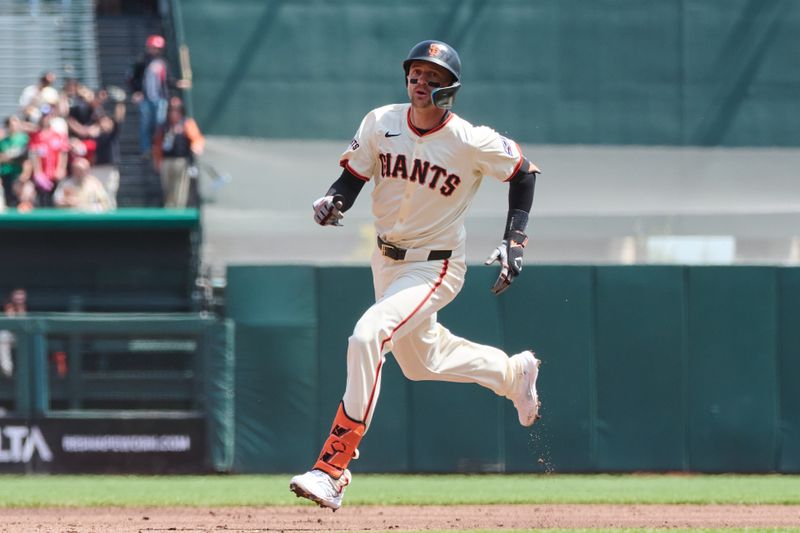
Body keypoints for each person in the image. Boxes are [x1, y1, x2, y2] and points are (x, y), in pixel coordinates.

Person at [289, 40, 542, 510]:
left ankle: (332, 468)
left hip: (436, 263)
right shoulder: (381, 122)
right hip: (386, 261)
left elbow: (524, 173)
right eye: (417, 72)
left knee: (368, 336)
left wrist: (515, 240)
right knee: (420, 362)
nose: (422, 81)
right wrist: (333, 200)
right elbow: (353, 177)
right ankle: (512, 374)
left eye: (434, 75)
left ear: (450, 88)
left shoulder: (469, 139)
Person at [127, 35, 190, 157]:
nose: (155, 50)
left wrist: (177, 84)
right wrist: (136, 91)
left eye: (157, 48)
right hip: (145, 99)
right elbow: (131, 78)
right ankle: (146, 149)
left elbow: (168, 81)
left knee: (159, 123)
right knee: (145, 124)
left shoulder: (163, 63)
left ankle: (157, 147)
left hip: (161, 99)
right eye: (153, 47)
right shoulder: (142, 62)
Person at [152, 97, 204, 207]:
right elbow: (157, 145)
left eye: (177, 110)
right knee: (167, 188)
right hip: (166, 161)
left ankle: (178, 210)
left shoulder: (187, 123)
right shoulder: (164, 126)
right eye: (171, 110)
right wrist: (157, 161)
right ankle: (169, 211)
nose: (174, 113)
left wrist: (196, 147)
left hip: (181, 161)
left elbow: (197, 139)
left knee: (179, 188)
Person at [0, 116, 34, 210]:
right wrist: (13, 157)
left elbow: (27, 158)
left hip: (19, 175)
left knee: (22, 202)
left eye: (16, 123)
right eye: (12, 124)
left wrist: (25, 174)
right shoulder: (3, 142)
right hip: (6, 174)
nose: (14, 126)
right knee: (9, 203)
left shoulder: (24, 139)